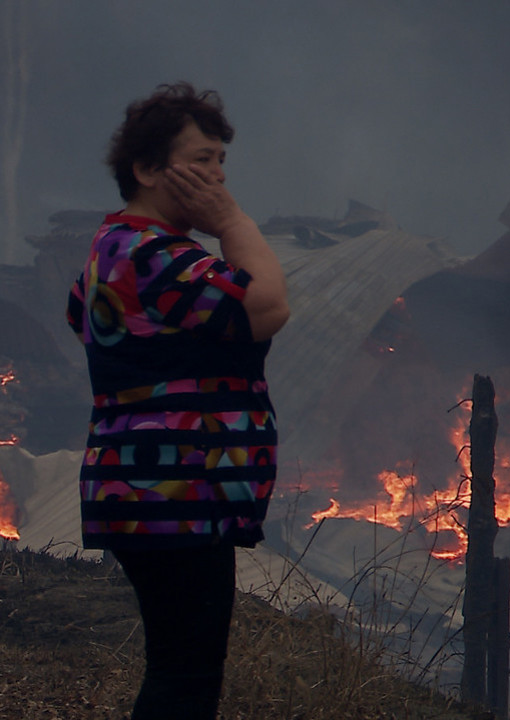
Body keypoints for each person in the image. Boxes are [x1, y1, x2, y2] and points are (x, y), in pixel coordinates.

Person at [66, 82, 290, 719]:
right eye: (201, 161)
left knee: (179, 667)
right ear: (145, 169)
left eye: (222, 162)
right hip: (176, 493)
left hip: (151, 489)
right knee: (186, 676)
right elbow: (268, 306)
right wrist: (233, 224)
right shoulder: (156, 254)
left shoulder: (114, 248)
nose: (217, 177)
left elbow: (82, 316)